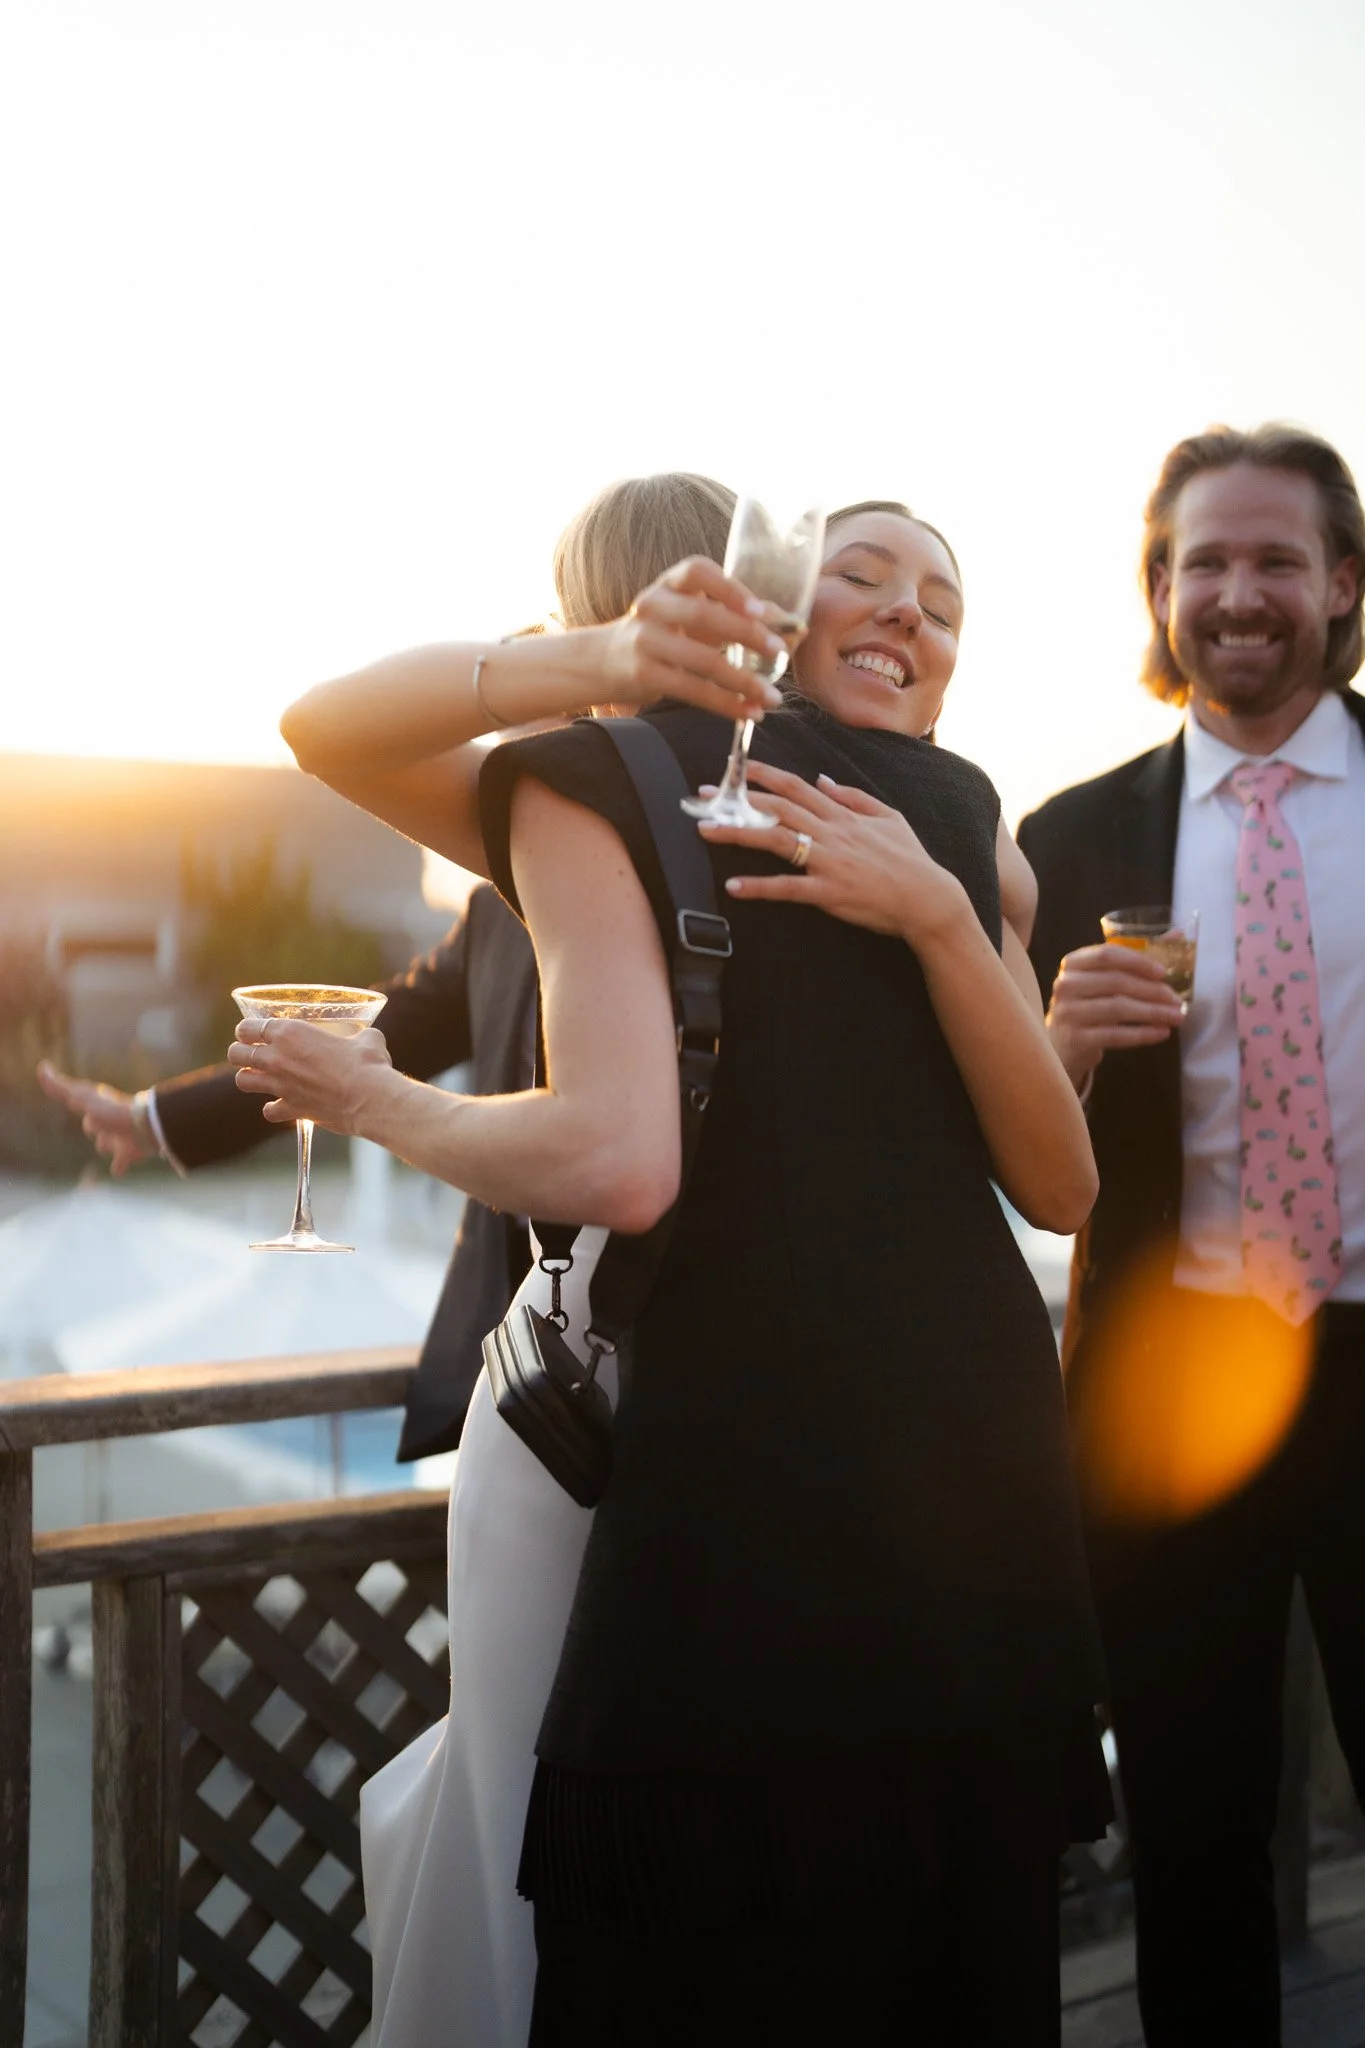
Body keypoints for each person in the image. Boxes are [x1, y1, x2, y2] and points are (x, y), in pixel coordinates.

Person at [246, 498, 1108, 2044]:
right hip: (854, 1468)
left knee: (735, 1946)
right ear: (773, 610)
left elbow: (1057, 1184)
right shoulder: (642, 778)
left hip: (886, 1476)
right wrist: (600, 663)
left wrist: (933, 912)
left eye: (942, 600)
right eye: (860, 573)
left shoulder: (948, 816)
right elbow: (326, 726)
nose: (905, 610)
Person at [35, 474, 744, 1463]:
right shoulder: (509, 890)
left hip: (700, 1364)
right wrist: (159, 1117)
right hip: (542, 1377)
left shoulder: (773, 828)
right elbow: (389, 1027)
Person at [1018, 424, 1365, 2047]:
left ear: (1341, 585)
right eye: (1203, 561)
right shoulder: (1066, 839)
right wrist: (1062, 1048)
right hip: (1167, 1390)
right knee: (1190, 1833)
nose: (1238, 593)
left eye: (1275, 559)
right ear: (1159, 590)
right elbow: (1009, 1154)